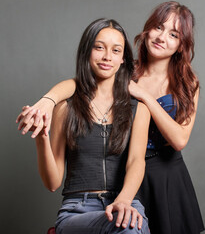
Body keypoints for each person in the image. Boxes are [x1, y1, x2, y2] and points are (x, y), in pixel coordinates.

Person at [17, 1, 205, 234]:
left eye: (174, 34)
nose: (162, 36)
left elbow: (178, 140)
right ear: (147, 30)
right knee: (128, 226)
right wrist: (50, 100)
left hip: (163, 173)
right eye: (158, 27)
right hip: (126, 172)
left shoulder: (186, 84)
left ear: (181, 45)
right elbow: (80, 84)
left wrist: (144, 96)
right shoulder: (126, 71)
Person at [17, 18, 151, 234]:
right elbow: (52, 183)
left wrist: (124, 200)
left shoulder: (139, 110)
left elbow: (136, 161)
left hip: (125, 202)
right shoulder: (66, 108)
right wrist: (42, 137)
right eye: (99, 47)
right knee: (125, 227)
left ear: (123, 59)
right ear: (86, 51)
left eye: (116, 51)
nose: (107, 56)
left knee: (129, 224)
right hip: (78, 211)